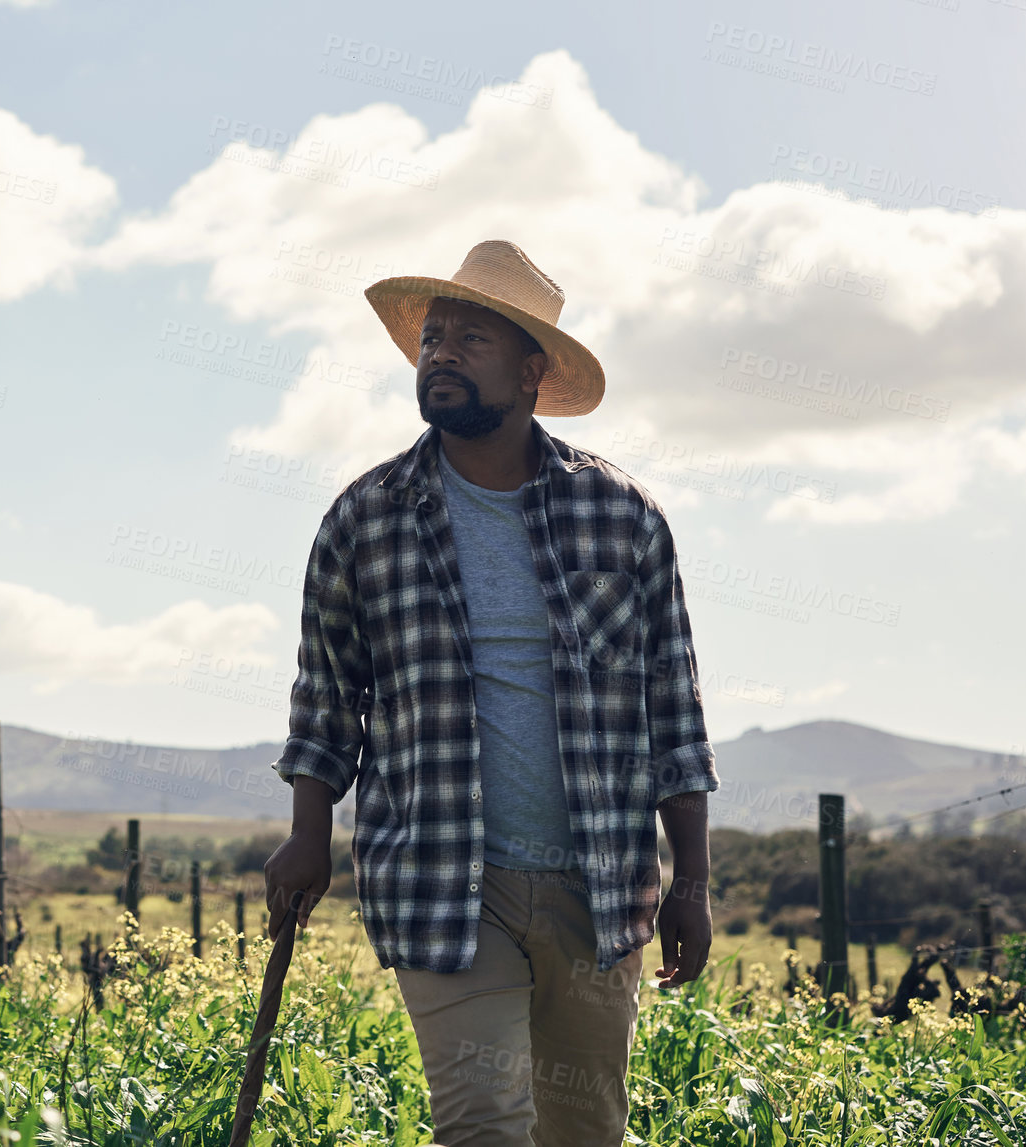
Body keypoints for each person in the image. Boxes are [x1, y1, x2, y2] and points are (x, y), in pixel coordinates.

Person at [264, 239, 719, 1146]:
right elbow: (326, 698)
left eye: (471, 338)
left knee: (582, 1131)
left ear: (532, 370)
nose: (441, 353)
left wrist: (693, 880)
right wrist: (306, 837)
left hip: (600, 880)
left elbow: (674, 705)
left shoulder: (621, 514)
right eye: (434, 338)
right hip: (442, 879)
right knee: (483, 1129)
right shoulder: (366, 517)